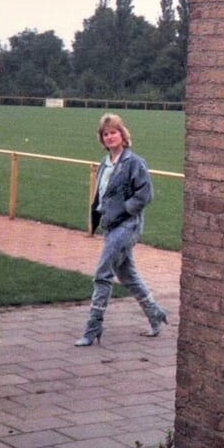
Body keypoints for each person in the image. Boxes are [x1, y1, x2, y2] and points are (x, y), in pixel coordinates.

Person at [73, 113, 168, 346]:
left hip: (128, 225)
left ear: (122, 135)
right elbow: (101, 195)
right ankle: (155, 314)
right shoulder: (104, 164)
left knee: (102, 273)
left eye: (113, 132)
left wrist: (125, 210)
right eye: (105, 134)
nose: (109, 137)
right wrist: (98, 214)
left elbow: (145, 194)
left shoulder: (134, 163)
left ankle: (93, 327)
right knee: (126, 274)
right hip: (110, 225)